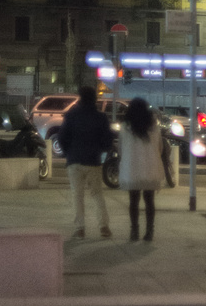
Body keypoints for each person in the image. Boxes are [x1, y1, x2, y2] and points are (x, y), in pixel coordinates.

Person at [57, 85, 115, 240]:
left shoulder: (72, 115)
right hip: (93, 161)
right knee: (97, 194)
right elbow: (107, 140)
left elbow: (62, 137)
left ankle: (80, 228)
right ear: (94, 99)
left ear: (80, 97)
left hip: (74, 160)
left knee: (77, 195)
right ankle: (103, 226)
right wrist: (100, 150)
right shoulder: (100, 117)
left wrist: (68, 152)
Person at [118, 97, 164, 242]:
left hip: (132, 168)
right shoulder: (153, 127)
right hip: (150, 168)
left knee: (133, 201)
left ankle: (134, 231)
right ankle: (149, 231)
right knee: (149, 201)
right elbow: (160, 148)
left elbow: (121, 149)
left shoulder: (126, 127)